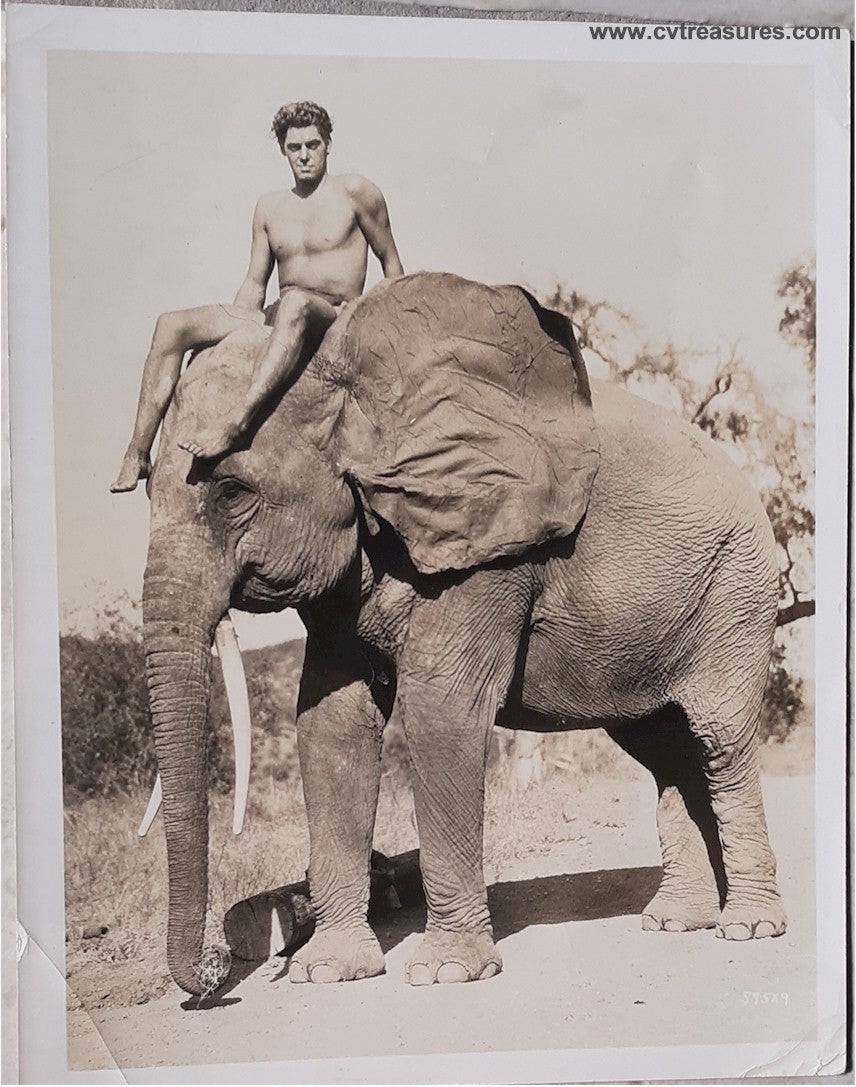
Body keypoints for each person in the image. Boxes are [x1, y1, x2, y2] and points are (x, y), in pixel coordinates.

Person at [111, 101, 404, 492]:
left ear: (328, 145)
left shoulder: (356, 192)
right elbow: (254, 283)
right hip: (279, 313)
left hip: (334, 316)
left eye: (312, 145)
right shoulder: (270, 206)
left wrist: (383, 333)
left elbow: (392, 265)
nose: (304, 155)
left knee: (298, 303)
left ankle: (237, 421)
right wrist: (230, 338)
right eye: (294, 147)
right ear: (283, 150)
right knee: (171, 325)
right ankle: (137, 451)